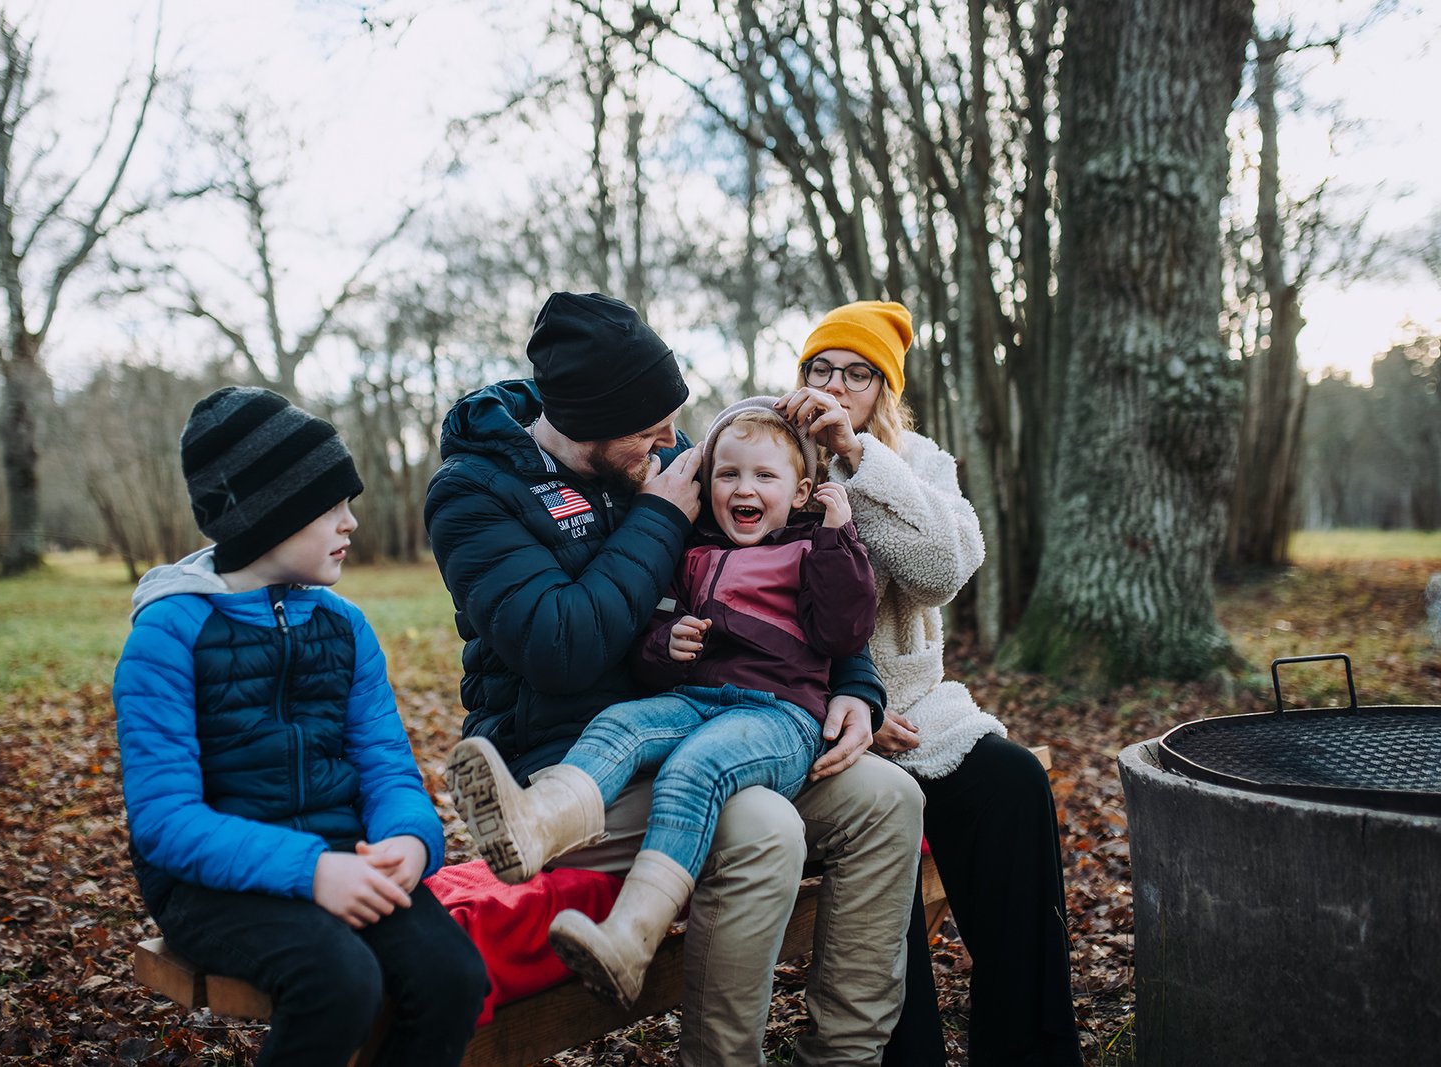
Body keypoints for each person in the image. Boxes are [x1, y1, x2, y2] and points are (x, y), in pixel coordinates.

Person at [425, 291, 924, 1067]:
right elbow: (560, 644)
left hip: (723, 720)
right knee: (763, 825)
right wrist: (657, 518)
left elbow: (788, 564)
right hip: (574, 762)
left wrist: (855, 686)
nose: (671, 441)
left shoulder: (655, 453)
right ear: (589, 419)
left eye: (673, 421)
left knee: (891, 800)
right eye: (650, 428)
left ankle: (844, 1056)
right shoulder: (475, 495)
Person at [447, 398, 876, 1009]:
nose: (743, 488)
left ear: (802, 490)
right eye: (728, 475)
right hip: (694, 697)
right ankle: (537, 822)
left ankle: (632, 935)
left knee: (695, 766)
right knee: (621, 722)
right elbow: (643, 639)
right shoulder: (692, 540)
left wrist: (839, 539)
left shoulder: (814, 548)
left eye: (764, 477)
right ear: (707, 482)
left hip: (777, 716)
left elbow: (843, 633)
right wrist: (664, 644)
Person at [113, 386, 488, 1067]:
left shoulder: (344, 626)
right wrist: (310, 869)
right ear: (266, 513)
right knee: (339, 979)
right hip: (209, 884)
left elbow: (386, 764)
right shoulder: (169, 635)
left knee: (452, 976)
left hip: (339, 852)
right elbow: (165, 822)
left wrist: (409, 838)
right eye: (331, 505)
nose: (350, 523)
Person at [777, 300, 1084, 1066]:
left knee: (1014, 785)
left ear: (884, 389)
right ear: (801, 376)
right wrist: (844, 706)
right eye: (822, 369)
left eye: (859, 374)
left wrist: (860, 462)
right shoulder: (767, 454)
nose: (838, 386)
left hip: (919, 709)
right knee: (886, 829)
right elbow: (751, 611)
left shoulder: (916, 461)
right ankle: (904, 1052)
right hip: (816, 717)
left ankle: (1027, 1048)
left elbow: (943, 571)